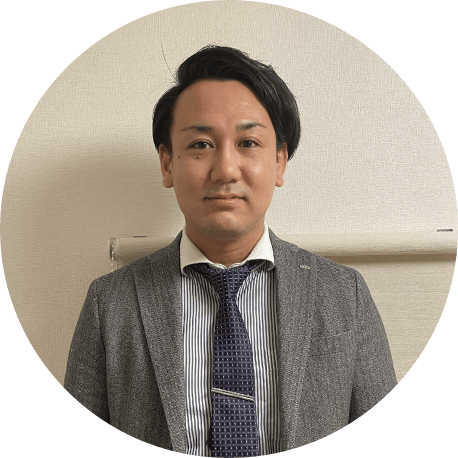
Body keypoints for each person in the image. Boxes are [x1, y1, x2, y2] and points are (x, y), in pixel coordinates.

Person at [64, 45, 397, 455]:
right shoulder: (110, 304)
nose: (225, 169)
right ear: (167, 163)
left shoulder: (346, 295)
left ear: (279, 161)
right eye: (201, 144)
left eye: (248, 142)